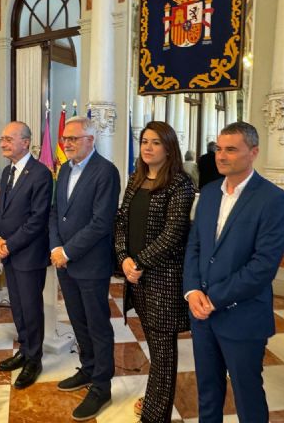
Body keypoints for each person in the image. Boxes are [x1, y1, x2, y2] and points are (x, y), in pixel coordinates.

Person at [183, 122, 284, 423]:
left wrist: (212, 299)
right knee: (207, 391)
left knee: (247, 395)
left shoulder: (274, 200)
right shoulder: (208, 193)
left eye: (231, 149)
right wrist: (192, 292)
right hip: (202, 314)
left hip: (241, 316)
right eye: (219, 148)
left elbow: (262, 267)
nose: (221, 155)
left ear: (253, 152)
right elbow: (195, 246)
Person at [115, 121, 195, 423]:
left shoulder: (179, 184)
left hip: (163, 279)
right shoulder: (135, 180)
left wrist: (139, 263)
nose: (148, 147)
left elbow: (174, 233)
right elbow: (121, 221)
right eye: (144, 141)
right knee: (152, 343)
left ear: (169, 147)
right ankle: (155, 399)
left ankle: (155, 415)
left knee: (163, 352)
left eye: (156, 142)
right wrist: (123, 258)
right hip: (137, 276)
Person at [49, 116, 120, 421]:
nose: (66, 143)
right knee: (78, 321)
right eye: (65, 138)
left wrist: (67, 250)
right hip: (64, 262)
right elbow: (55, 212)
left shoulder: (106, 172)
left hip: (90, 264)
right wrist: (55, 247)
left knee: (97, 325)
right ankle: (88, 369)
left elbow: (102, 222)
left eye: (73, 138)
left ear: (91, 139)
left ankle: (102, 386)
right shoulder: (65, 168)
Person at [0, 122, 52, 389]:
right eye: (2, 139)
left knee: (30, 307)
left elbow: (38, 219)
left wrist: (10, 244)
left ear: (26, 142)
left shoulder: (40, 174)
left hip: (28, 254)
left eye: (8, 139)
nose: (3, 143)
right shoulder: (7, 172)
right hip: (9, 252)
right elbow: (1, 213)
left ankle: (34, 359)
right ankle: (25, 349)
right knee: (17, 306)